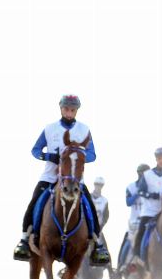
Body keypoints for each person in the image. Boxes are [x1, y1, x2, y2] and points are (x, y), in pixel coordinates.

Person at [14, 94, 110, 265]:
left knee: (89, 205)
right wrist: (48, 156)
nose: (69, 112)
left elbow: (92, 154)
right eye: (66, 108)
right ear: (61, 108)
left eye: (73, 109)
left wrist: (75, 156)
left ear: (76, 111)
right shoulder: (50, 129)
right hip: (50, 176)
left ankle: (98, 245)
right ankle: (24, 240)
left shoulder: (84, 129)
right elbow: (35, 149)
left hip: (74, 180)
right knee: (34, 201)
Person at [128, 147, 162, 264]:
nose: (161, 160)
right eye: (159, 158)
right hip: (149, 211)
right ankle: (139, 258)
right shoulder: (147, 175)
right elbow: (140, 191)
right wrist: (154, 195)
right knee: (141, 232)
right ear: (156, 159)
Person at [110, 164, 149, 279]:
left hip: (148, 221)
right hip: (134, 223)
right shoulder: (131, 187)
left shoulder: (152, 187)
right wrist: (139, 193)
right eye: (143, 174)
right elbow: (128, 202)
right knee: (126, 245)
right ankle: (120, 268)